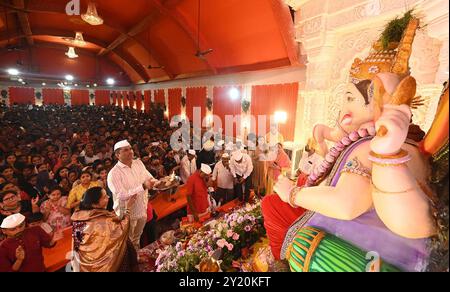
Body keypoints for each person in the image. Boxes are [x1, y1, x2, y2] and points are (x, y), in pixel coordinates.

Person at [264, 15, 445, 271]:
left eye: (349, 98)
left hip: (363, 253)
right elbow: (339, 139)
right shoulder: (404, 143)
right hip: (398, 253)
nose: (343, 110)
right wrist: (323, 137)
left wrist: (292, 194)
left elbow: (347, 205)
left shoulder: (372, 146)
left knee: (278, 212)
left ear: (378, 101)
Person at [71, 187, 138, 272]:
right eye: (104, 197)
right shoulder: (103, 221)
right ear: (95, 204)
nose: (108, 197)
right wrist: (128, 208)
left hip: (86, 264)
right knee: (124, 244)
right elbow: (121, 230)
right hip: (107, 265)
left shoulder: (79, 218)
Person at [107, 140, 158, 251]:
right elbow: (122, 195)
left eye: (130, 148)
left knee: (136, 239)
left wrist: (161, 183)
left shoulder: (138, 163)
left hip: (142, 209)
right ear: (117, 155)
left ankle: (137, 259)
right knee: (127, 242)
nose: (130, 151)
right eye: (126, 150)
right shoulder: (113, 173)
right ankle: (131, 264)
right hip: (126, 214)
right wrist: (143, 186)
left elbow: (149, 178)